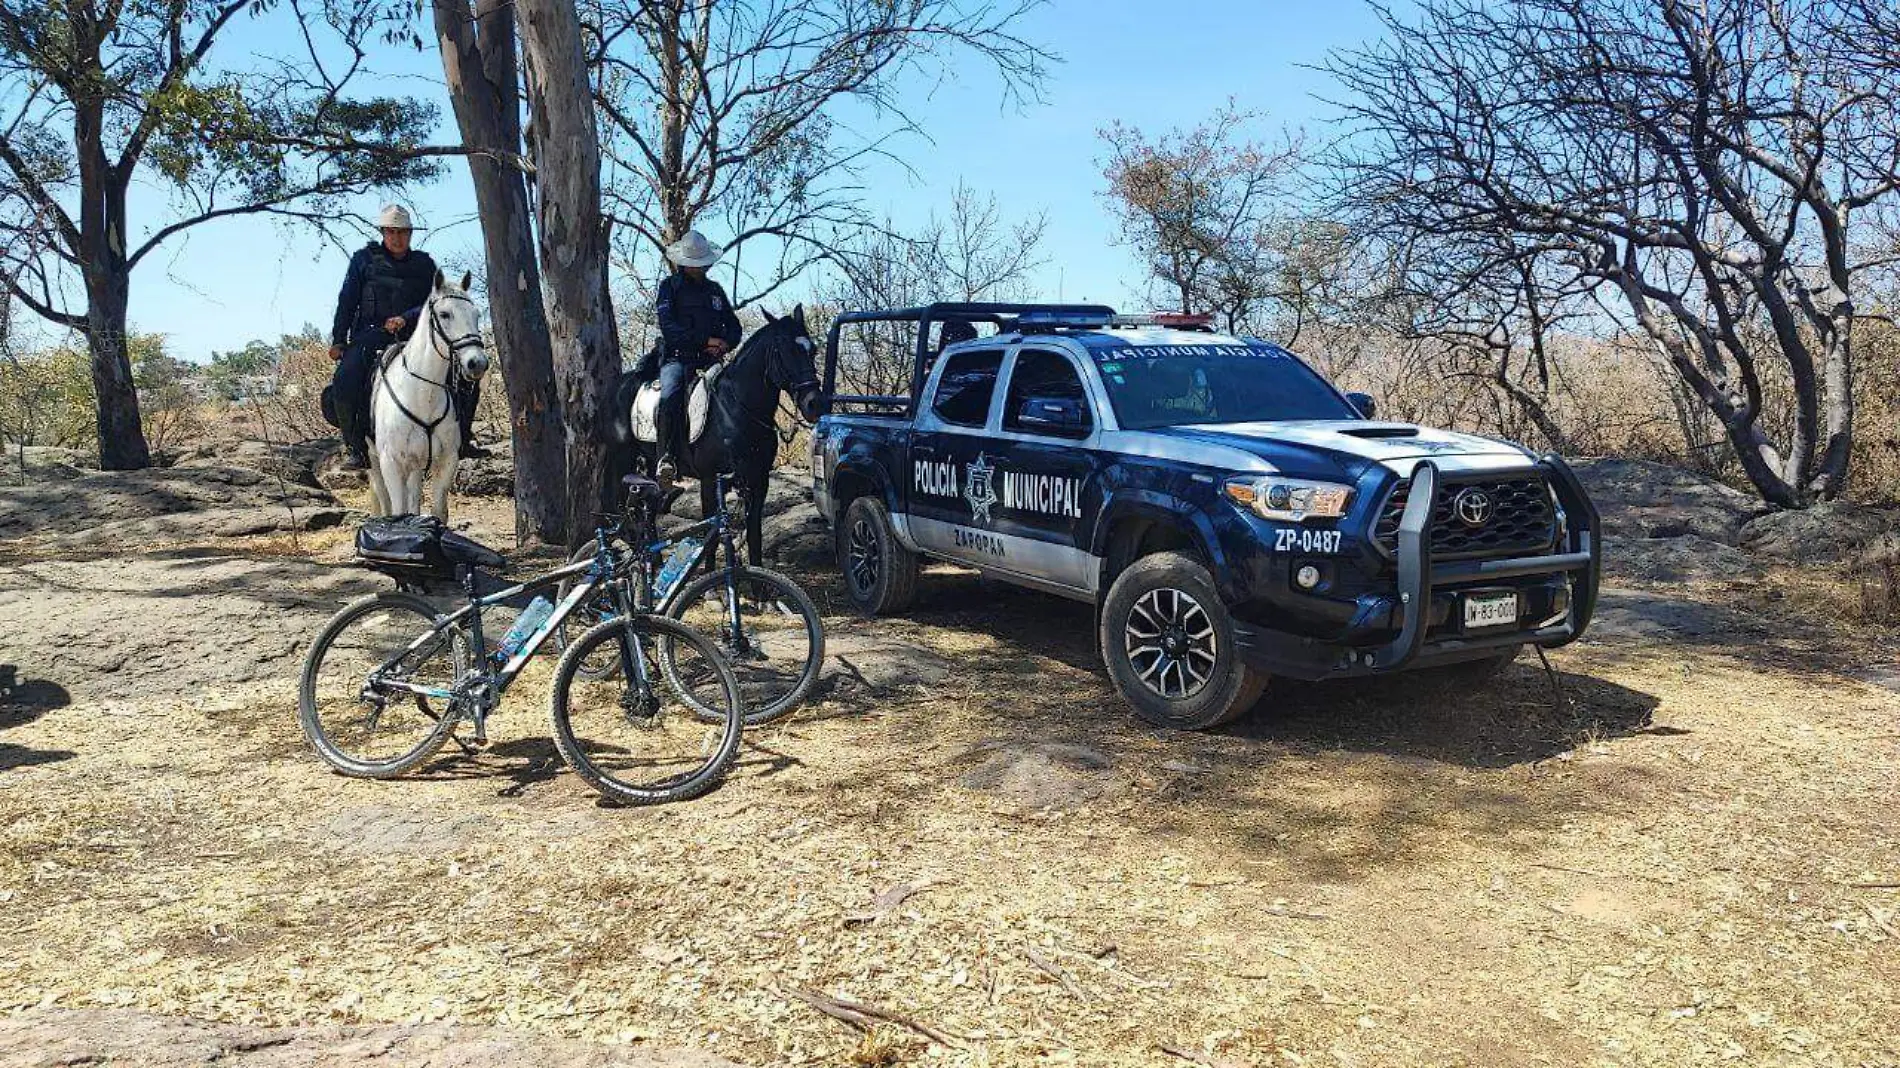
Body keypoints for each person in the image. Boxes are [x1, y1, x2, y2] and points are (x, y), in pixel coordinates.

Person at [328, 206, 486, 470]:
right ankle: (355, 447)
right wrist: (338, 339)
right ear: (383, 232)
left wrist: (406, 317)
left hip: (417, 337)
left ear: (410, 233)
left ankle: (463, 439)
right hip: (371, 335)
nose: (397, 237)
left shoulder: (424, 264)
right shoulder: (363, 260)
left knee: (465, 378)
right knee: (345, 380)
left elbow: (436, 300)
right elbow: (347, 300)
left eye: (402, 232)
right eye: (391, 232)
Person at [653, 229, 742, 486]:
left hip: (712, 361)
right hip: (678, 359)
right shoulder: (669, 288)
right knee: (670, 396)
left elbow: (733, 325)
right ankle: (667, 457)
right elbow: (670, 328)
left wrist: (725, 344)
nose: (701, 269)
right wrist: (704, 340)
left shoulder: (715, 290)